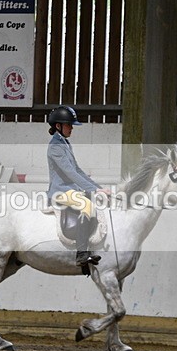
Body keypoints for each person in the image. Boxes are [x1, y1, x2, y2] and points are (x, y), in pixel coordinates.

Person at [47, 105, 110, 267]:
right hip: (60, 191)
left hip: (71, 190)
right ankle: (82, 253)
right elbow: (70, 174)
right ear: (58, 126)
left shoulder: (65, 143)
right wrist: (94, 190)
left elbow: (78, 170)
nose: (72, 128)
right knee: (87, 205)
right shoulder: (55, 147)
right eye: (69, 125)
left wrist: (98, 188)